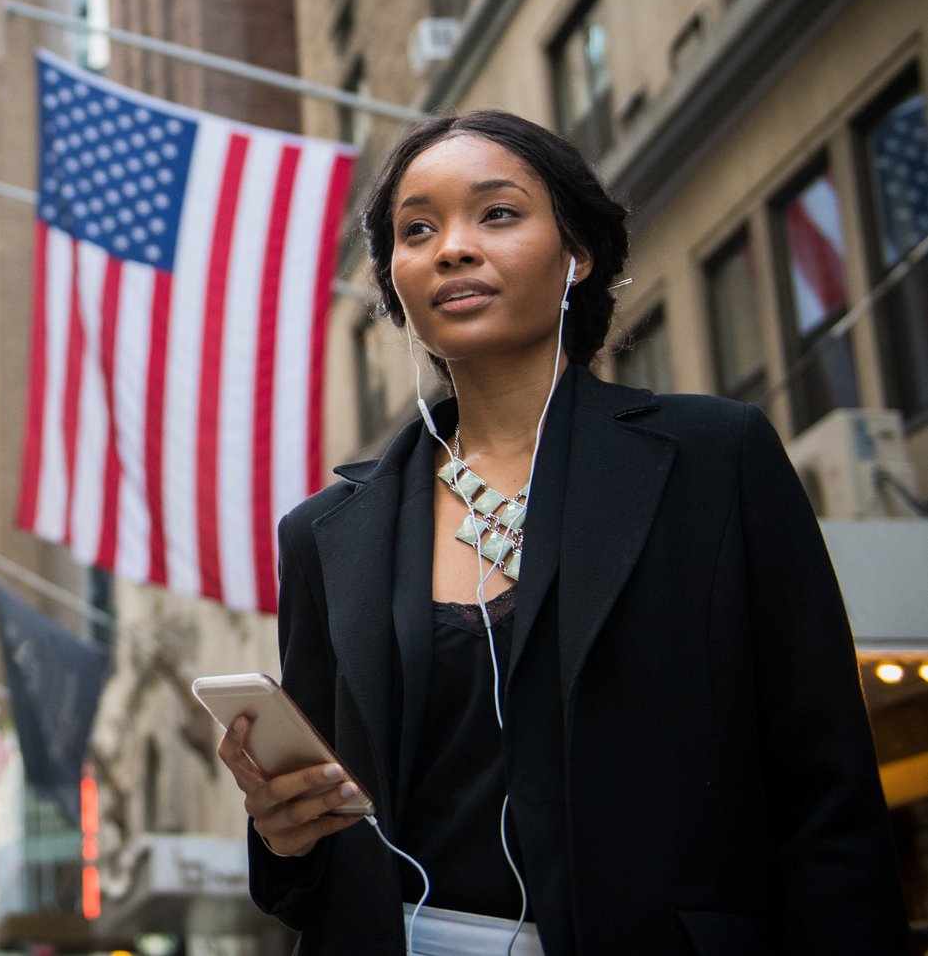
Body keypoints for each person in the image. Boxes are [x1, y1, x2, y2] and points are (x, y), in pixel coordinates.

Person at [216, 111, 908, 955]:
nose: (452, 249)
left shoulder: (712, 458)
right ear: (394, 280)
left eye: (496, 214)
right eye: (416, 229)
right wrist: (281, 831)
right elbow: (314, 861)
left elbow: (825, 787)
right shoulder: (326, 533)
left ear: (575, 254)